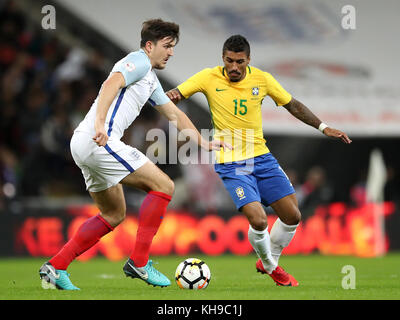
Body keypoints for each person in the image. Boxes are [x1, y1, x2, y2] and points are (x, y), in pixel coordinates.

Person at [39, 19, 228, 290]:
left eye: (173, 47)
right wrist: (101, 125)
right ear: (149, 46)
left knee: (113, 214)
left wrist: (203, 142)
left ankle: (55, 267)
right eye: (167, 46)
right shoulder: (137, 61)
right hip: (98, 140)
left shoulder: (149, 78)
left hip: (85, 143)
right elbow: (109, 85)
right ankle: (139, 262)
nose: (171, 52)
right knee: (164, 185)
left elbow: (174, 114)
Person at [166, 35, 352, 287]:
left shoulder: (262, 79)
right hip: (232, 163)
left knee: (292, 216)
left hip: (262, 158)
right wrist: (162, 95)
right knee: (259, 219)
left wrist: (323, 126)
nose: (233, 67)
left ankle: (268, 258)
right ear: (223, 58)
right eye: (229, 61)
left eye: (239, 62)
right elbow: (176, 94)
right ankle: (272, 267)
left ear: (248, 60)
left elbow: (292, 105)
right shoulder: (208, 77)